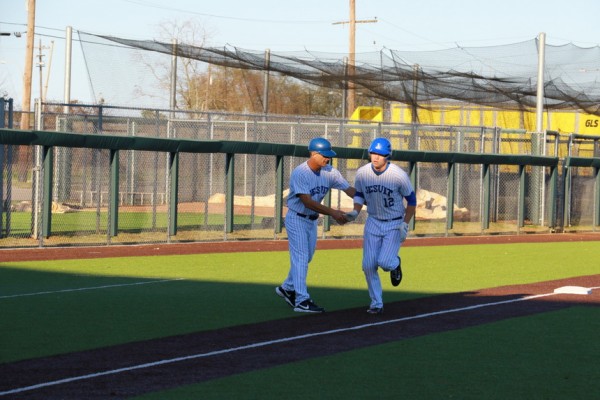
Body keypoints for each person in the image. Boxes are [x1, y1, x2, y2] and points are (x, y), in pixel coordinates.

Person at [276, 137, 356, 313]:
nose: (327, 158)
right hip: (297, 218)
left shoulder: (330, 171)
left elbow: (349, 189)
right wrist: (334, 212)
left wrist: (367, 200)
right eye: (324, 155)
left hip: (311, 220)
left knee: (307, 257)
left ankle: (287, 287)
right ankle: (302, 300)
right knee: (302, 257)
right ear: (313, 153)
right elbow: (307, 202)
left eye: (329, 155)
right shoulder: (301, 172)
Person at [345, 137, 416, 315]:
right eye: (373, 153)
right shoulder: (362, 173)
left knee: (384, 262)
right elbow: (359, 195)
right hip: (373, 222)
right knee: (368, 265)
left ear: (387, 156)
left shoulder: (398, 175)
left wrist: (405, 224)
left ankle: (395, 264)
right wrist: (355, 210)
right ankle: (376, 303)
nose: (376, 157)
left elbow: (412, 200)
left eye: (380, 154)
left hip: (394, 223)